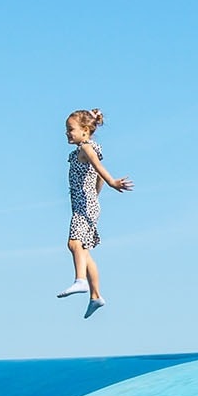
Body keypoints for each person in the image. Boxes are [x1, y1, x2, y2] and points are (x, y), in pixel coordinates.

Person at [59, 108, 131, 316]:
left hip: (85, 205)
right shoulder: (81, 151)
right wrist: (94, 196)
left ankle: (80, 281)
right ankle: (95, 296)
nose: (67, 133)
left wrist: (112, 182)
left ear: (85, 130)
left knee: (74, 244)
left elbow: (99, 168)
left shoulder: (86, 148)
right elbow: (95, 175)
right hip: (87, 203)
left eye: (70, 129)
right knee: (83, 250)